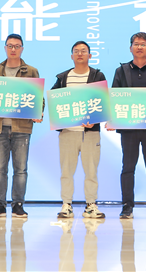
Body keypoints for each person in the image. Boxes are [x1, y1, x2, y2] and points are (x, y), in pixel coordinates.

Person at [0, 34, 42, 218]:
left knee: (20, 169)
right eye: (10, 46)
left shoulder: (31, 71)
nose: (13, 49)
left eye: (17, 46)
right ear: (5, 48)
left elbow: (38, 97)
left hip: (22, 127)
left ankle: (18, 204)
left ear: (22, 49)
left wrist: (38, 112)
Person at [110, 32, 146, 220]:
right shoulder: (121, 71)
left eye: (143, 44)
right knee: (128, 167)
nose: (139, 47)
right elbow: (115, 97)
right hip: (129, 128)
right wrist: (112, 119)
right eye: (136, 44)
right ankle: (127, 206)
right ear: (130, 48)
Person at [51, 41, 106, 219]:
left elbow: (103, 101)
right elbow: (54, 101)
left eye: (83, 51)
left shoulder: (97, 76)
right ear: (71, 56)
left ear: (90, 55)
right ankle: (66, 204)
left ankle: (91, 205)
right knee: (66, 171)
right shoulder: (63, 78)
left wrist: (94, 120)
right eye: (76, 51)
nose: (80, 54)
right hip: (68, 132)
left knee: (91, 171)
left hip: (90, 132)